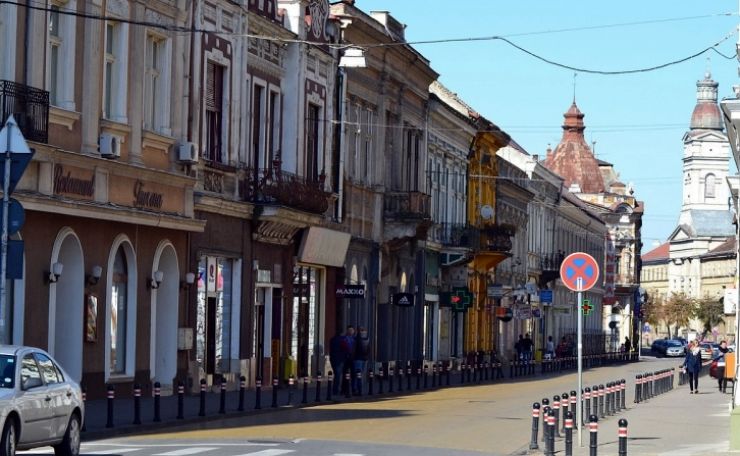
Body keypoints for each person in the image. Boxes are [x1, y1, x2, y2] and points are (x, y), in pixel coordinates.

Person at [352, 326, 370, 395]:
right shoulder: (367, 339)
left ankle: (355, 389)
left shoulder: (356, 339)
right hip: (364, 359)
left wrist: (352, 357)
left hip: (357, 358)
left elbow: (353, 349)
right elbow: (369, 349)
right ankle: (359, 389)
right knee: (360, 374)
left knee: (357, 374)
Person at [329, 329, 345, 395]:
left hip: (333, 358)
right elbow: (345, 348)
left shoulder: (332, 339)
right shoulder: (342, 340)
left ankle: (335, 390)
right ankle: (336, 390)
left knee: (336, 374)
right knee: (338, 375)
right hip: (339, 359)